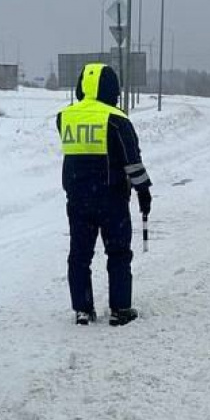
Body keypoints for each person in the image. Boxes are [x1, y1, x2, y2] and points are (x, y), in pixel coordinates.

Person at [55, 63, 152, 326]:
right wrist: (144, 192)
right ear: (111, 88)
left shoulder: (65, 117)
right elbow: (132, 162)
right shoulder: (116, 119)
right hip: (112, 198)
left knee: (79, 255)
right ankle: (120, 309)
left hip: (77, 198)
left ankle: (83, 309)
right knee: (118, 253)